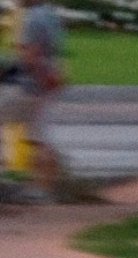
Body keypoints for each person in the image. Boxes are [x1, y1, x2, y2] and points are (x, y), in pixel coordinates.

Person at [1, 0, 65, 199]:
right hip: (44, 87)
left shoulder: (32, 18)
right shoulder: (51, 15)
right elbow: (54, 52)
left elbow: (31, 56)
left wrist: (8, 69)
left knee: (37, 137)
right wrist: (50, 79)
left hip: (25, 87)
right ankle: (44, 192)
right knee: (40, 139)